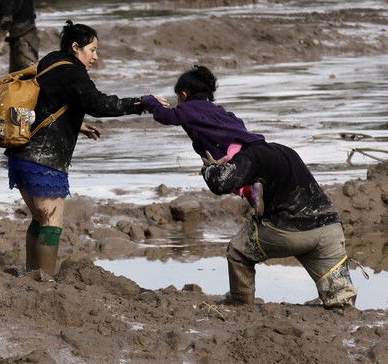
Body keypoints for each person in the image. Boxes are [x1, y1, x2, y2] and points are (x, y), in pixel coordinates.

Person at [5, 21, 143, 276]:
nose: (95, 56)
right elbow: (99, 104)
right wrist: (139, 103)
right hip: (45, 160)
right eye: (92, 50)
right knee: (52, 222)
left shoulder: (50, 61)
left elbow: (42, 103)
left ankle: (32, 276)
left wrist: (76, 125)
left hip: (19, 154)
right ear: (76, 47)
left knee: (39, 218)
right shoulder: (74, 73)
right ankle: (44, 283)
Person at [202, 140, 357, 308]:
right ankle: (343, 309)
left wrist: (210, 169)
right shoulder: (283, 150)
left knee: (238, 250)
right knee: (340, 297)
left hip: (291, 230)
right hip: (329, 227)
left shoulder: (250, 155)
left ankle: (241, 304)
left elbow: (221, 182)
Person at [140, 65, 266, 214]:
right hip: (243, 144)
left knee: (226, 179)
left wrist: (150, 101)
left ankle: (250, 191)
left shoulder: (187, 109)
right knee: (243, 177)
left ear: (184, 94)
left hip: (224, 150)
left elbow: (166, 116)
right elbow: (237, 122)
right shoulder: (217, 109)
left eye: (177, 97)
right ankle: (254, 191)